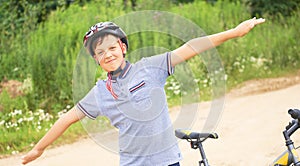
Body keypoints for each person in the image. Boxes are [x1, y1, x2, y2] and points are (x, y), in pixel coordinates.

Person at [21, 17, 265, 166]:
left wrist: (235, 32)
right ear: (96, 59)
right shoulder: (100, 93)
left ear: (123, 47)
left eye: (112, 47)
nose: (108, 54)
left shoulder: (151, 68)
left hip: (168, 161)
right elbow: (67, 119)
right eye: (100, 52)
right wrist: (39, 148)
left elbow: (191, 46)